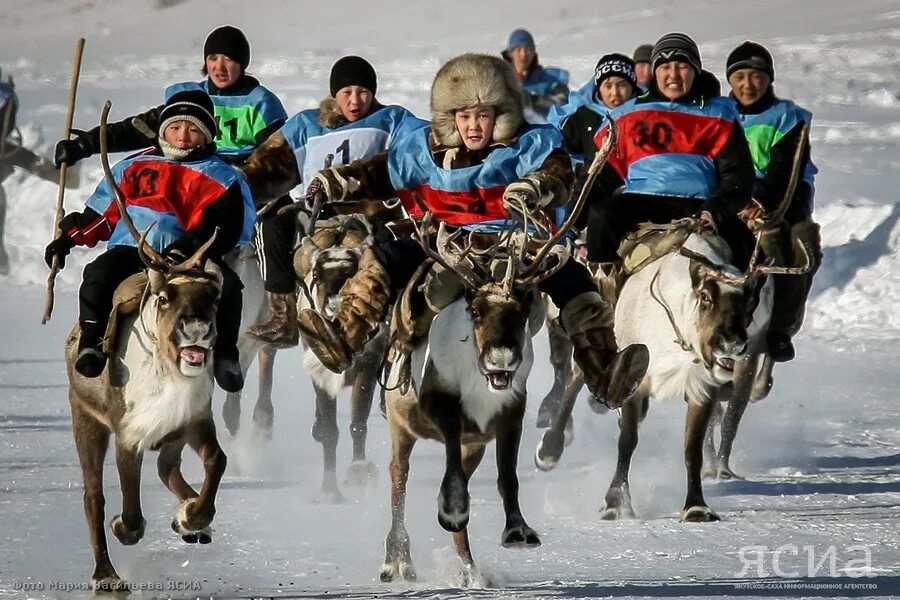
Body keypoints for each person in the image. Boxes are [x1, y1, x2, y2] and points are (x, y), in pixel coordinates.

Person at [293, 53, 648, 401]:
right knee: (382, 259)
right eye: (464, 116)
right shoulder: (425, 149)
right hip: (446, 240)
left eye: (482, 115)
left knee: (572, 279)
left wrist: (536, 187)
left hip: (514, 240)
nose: (474, 126)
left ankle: (603, 372)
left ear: (500, 115)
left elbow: (558, 174)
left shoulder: (528, 144)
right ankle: (345, 338)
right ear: (451, 118)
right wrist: (336, 181)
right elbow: (377, 172)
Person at [43, 90, 256, 392]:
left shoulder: (222, 177)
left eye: (194, 130)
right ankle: (92, 342)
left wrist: (187, 247)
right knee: (97, 273)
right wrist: (68, 238)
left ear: (207, 136)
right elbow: (104, 214)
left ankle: (225, 355)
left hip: (190, 258)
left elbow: (226, 226)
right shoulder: (133, 166)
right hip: (133, 250)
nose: (183, 136)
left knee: (229, 286)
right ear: (163, 129)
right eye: (176, 127)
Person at [240, 55, 417, 348]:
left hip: (369, 214)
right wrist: (231, 188)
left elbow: (419, 147)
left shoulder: (393, 118)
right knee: (269, 226)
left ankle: (382, 319)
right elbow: (267, 168)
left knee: (390, 249)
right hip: (314, 214)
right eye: (347, 93)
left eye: (363, 92)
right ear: (335, 95)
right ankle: (283, 316)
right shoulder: (308, 125)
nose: (355, 100)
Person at [585, 32, 757, 269]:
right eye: (665, 67)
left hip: (699, 206)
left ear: (695, 71)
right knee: (600, 215)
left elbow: (738, 178)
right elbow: (601, 176)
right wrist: (574, 218)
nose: (673, 75)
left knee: (745, 246)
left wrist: (716, 209)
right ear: (654, 72)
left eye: (682, 66)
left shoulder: (719, 115)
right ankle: (599, 295)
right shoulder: (628, 115)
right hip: (642, 203)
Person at [54, 25, 287, 169]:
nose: (219, 67)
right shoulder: (191, 98)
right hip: (186, 179)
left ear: (242, 63)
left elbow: (276, 161)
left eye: (228, 59)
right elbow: (141, 129)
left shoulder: (260, 104)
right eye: (213, 58)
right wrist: (86, 144)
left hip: (241, 188)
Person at [726, 40, 822, 362]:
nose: (747, 85)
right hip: (728, 198)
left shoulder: (788, 118)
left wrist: (760, 200)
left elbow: (784, 169)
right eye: (739, 77)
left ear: (769, 80)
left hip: (781, 200)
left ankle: (779, 328)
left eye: (756, 76)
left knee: (799, 246)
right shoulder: (718, 115)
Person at [501, 29, 569, 120]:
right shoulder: (500, 79)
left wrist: (535, 100)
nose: (523, 54)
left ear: (534, 52)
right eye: (518, 49)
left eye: (528, 49)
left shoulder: (549, 79)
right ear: (510, 53)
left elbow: (565, 106)